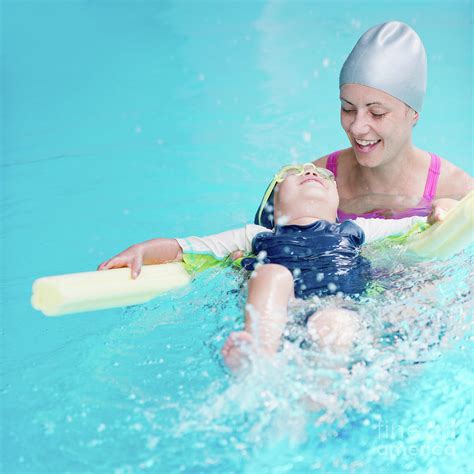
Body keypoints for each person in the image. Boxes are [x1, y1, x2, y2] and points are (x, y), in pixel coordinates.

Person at [98, 163, 452, 371]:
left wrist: (441, 207)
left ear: (337, 203)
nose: (311, 171)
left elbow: (417, 226)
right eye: (293, 172)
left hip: (340, 308)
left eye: (323, 175)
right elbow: (183, 247)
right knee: (271, 274)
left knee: (333, 323)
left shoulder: (356, 229)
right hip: (279, 313)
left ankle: (323, 385)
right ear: (274, 203)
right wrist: (141, 250)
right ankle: (260, 358)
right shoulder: (256, 236)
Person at [255, 21, 472, 229]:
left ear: (413, 113)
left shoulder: (459, 192)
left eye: (377, 113)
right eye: (347, 109)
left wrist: (454, 225)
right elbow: (249, 253)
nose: (357, 127)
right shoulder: (305, 186)